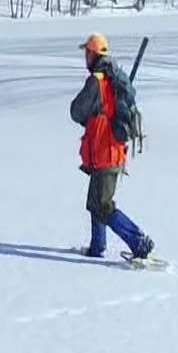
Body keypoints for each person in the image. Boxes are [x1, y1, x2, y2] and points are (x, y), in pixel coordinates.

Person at [69, 33, 154, 260]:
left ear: (93, 54)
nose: (85, 58)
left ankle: (139, 242)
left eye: (86, 53)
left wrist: (91, 117)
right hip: (108, 152)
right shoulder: (114, 77)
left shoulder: (97, 81)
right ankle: (97, 248)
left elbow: (76, 110)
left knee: (103, 206)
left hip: (106, 152)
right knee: (94, 203)